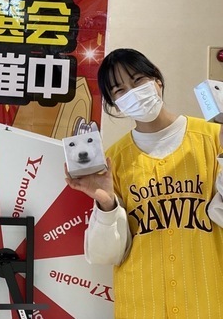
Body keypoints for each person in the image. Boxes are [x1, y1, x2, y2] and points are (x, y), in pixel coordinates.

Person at [65, 48, 223, 318]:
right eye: (120, 90)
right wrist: (106, 204)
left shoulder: (213, 138)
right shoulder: (113, 160)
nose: (132, 92)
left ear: (157, 80)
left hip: (207, 302)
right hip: (142, 305)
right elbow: (106, 255)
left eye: (138, 80)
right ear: (115, 104)